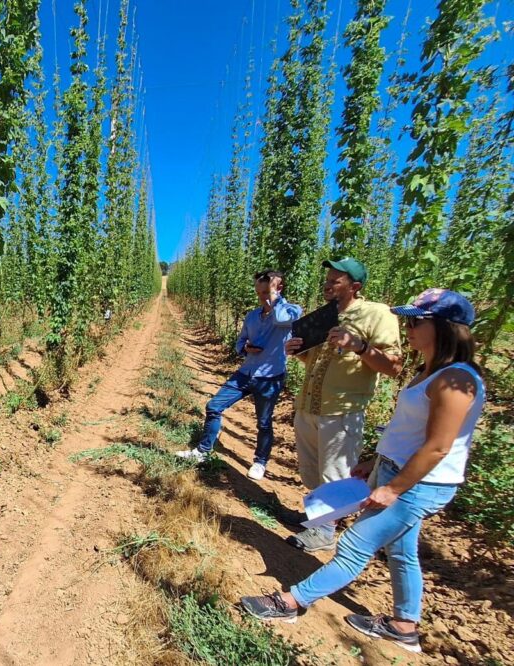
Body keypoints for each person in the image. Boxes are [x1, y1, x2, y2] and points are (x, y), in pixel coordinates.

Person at [241, 289, 484, 655]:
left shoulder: (457, 381)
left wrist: (395, 489)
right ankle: (404, 625)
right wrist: (378, 461)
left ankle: (290, 603)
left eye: (418, 321)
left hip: (419, 483)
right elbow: (410, 431)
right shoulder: (431, 372)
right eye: (408, 320)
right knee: (402, 552)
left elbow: (438, 447)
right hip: (397, 471)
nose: (409, 328)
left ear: (446, 328)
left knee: (355, 545)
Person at [285, 258, 402, 552]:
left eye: (336, 280)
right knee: (312, 471)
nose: (327, 284)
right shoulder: (325, 316)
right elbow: (314, 360)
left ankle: (325, 532)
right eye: (327, 279)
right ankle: (318, 517)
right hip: (309, 406)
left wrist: (359, 345)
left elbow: (394, 366)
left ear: (356, 286)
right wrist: (297, 352)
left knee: (334, 474)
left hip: (341, 410)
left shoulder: (377, 314)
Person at [176, 270, 303, 480]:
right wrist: (245, 348)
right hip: (245, 373)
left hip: (270, 377)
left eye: (266, 291)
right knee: (214, 406)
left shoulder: (291, 311)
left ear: (278, 288)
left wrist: (274, 298)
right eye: (259, 292)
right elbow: (239, 342)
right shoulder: (252, 316)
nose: (261, 296)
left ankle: (260, 462)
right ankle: (203, 451)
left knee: (263, 422)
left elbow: (281, 318)